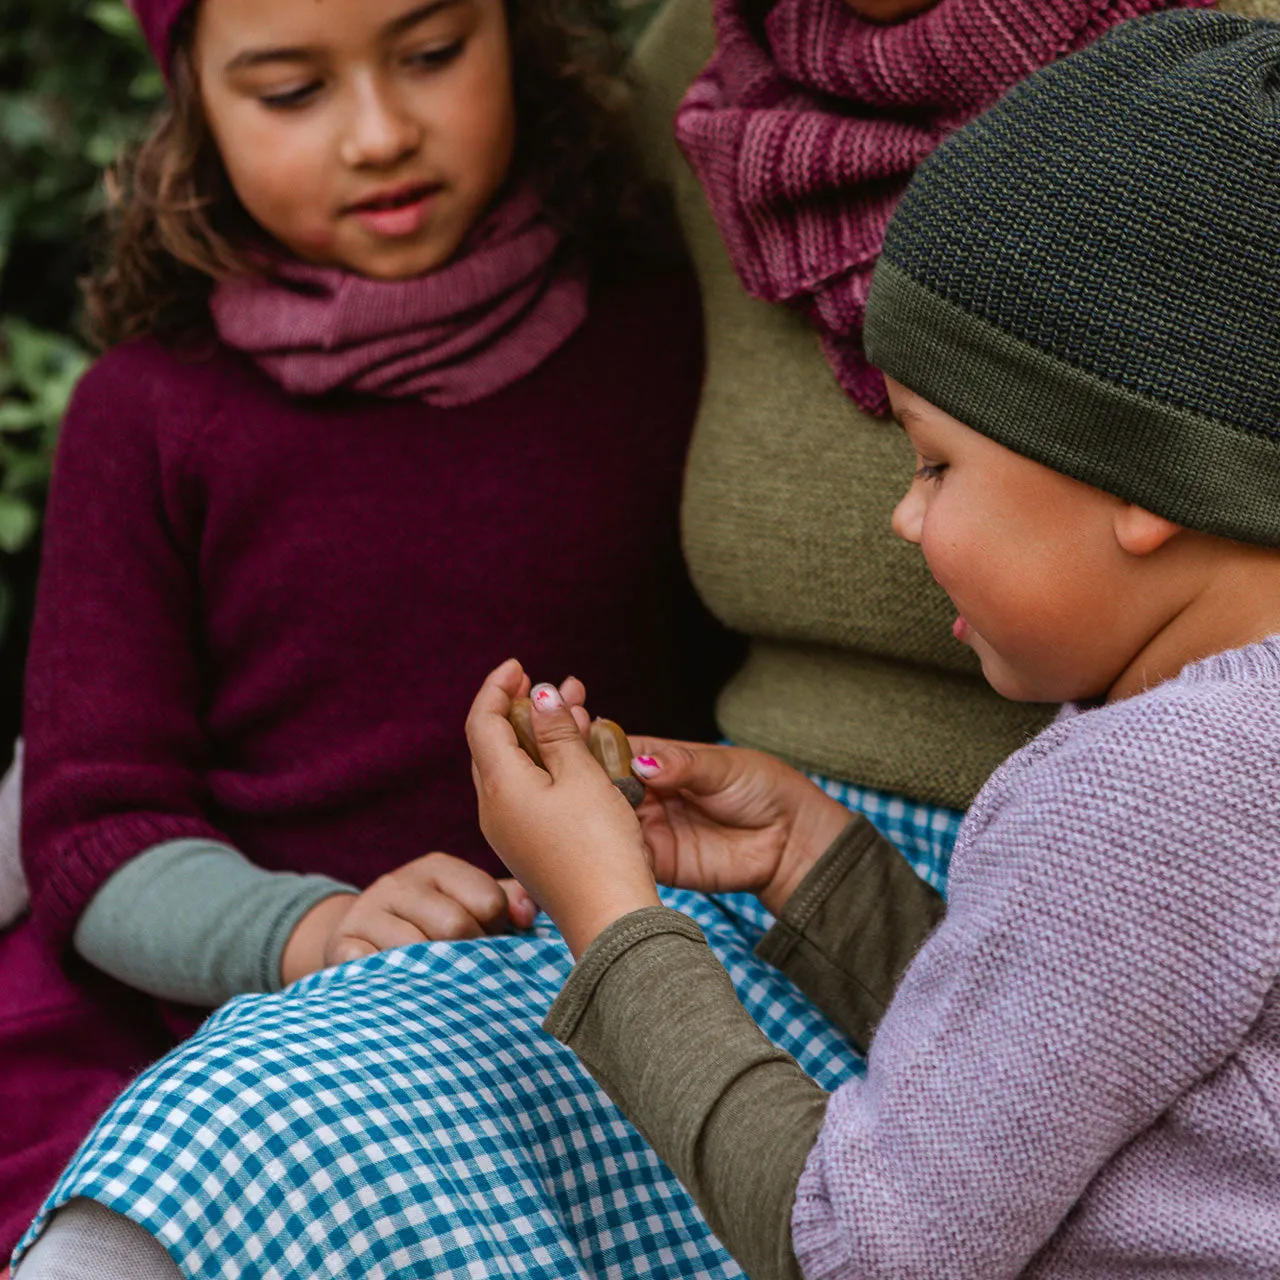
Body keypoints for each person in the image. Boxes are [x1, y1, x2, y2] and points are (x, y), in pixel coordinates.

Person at [465, 11, 1280, 1273]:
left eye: (934, 461)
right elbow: (1058, 1067)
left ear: (1141, 477)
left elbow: (858, 1248)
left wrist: (609, 919)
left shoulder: (1136, 793)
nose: (902, 516)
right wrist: (815, 862)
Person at [0, 0, 714, 1258]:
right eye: (289, 91)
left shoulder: (664, 333)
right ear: (196, 109)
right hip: (223, 1028)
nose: (380, 133)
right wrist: (310, 931)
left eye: (431, 55)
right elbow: (95, 831)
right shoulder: (147, 416)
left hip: (594, 1013)